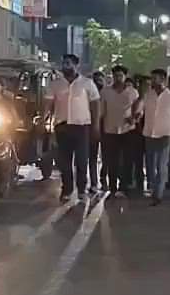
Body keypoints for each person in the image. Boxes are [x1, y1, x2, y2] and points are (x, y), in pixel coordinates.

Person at [50, 54, 101, 201]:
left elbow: (95, 104)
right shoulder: (56, 84)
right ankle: (67, 190)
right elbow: (48, 103)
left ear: (75, 65)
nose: (65, 66)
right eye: (64, 63)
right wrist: (43, 119)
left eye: (68, 63)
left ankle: (81, 190)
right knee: (64, 161)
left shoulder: (87, 83)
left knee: (81, 160)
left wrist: (95, 125)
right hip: (62, 126)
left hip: (81, 127)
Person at [141, 68, 170, 206]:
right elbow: (139, 111)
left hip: (165, 134)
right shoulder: (148, 95)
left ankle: (159, 193)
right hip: (149, 133)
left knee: (161, 164)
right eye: (152, 78)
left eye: (155, 78)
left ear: (163, 79)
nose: (152, 81)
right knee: (150, 165)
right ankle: (153, 187)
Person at [99, 65, 139, 197]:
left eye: (120, 76)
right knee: (112, 160)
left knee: (127, 160)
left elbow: (138, 109)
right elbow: (101, 111)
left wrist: (134, 118)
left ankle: (124, 186)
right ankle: (112, 187)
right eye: (116, 76)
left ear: (125, 76)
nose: (118, 78)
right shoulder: (105, 92)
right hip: (110, 130)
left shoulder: (132, 92)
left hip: (128, 130)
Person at [90, 71, 106, 190]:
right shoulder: (89, 94)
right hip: (92, 128)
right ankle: (94, 183)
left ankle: (103, 180)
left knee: (106, 157)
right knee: (92, 157)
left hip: (106, 127)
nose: (98, 83)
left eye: (100, 80)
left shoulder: (107, 93)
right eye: (96, 80)